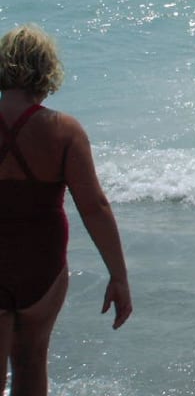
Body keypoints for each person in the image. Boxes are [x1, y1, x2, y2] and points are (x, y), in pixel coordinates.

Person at [0, 25, 132, 395]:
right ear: (46, 70)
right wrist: (118, 276)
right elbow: (94, 207)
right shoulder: (63, 130)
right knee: (31, 364)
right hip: (41, 265)